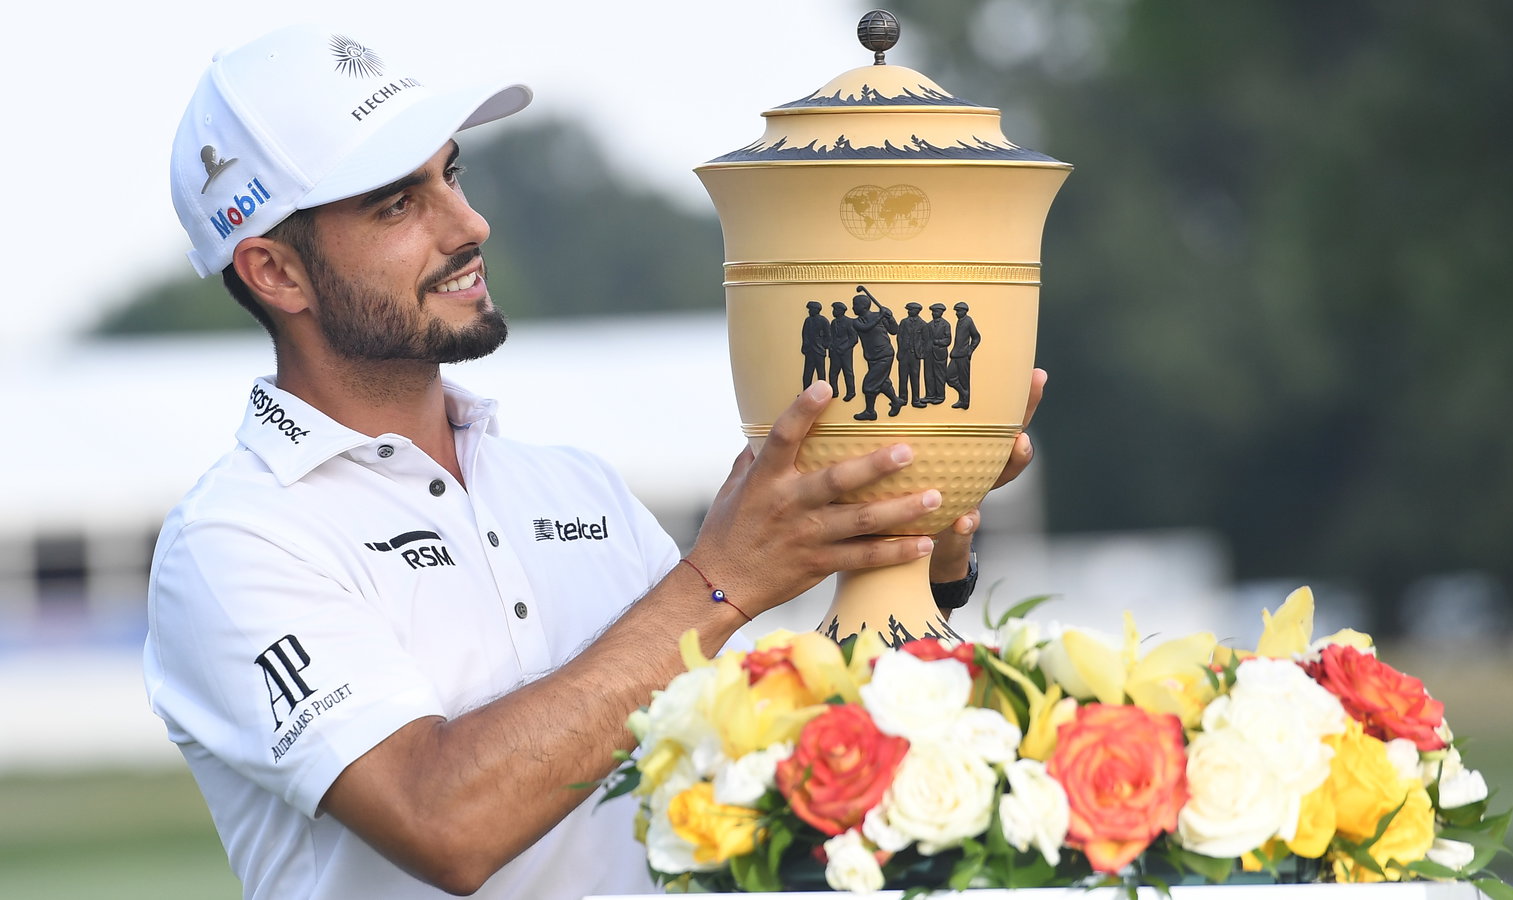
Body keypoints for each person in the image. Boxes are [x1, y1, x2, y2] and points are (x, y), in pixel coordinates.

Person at [143, 23, 1043, 900]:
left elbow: (767, 756)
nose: (470, 223)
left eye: (450, 175)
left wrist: (920, 540)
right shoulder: (233, 543)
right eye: (397, 203)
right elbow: (442, 823)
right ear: (275, 274)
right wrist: (721, 578)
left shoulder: (573, 484)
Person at [848, 286, 904, 421]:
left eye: (855, 305)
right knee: (883, 382)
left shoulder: (878, 316)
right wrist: (881, 315)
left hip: (884, 355)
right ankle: (896, 401)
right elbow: (866, 328)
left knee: (869, 384)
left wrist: (890, 317)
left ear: (863, 306)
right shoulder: (857, 322)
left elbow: (894, 330)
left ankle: (870, 412)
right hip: (872, 357)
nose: (853, 308)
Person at [949, 300, 983, 409]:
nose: (956, 313)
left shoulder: (968, 321)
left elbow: (976, 337)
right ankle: (964, 394)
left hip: (963, 355)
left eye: (958, 311)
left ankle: (964, 401)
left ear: (964, 311)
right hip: (955, 355)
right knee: (949, 377)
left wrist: (970, 350)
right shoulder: (959, 321)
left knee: (964, 379)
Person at [897, 301, 930, 408]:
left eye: (910, 309)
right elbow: (899, 337)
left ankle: (915, 400)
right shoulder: (903, 322)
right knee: (903, 377)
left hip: (915, 355)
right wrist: (900, 350)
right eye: (908, 309)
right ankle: (902, 399)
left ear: (916, 311)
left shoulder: (923, 324)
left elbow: (926, 340)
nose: (908, 311)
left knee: (915, 377)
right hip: (904, 354)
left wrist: (922, 353)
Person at [827, 300, 858, 401]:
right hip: (835, 352)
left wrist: (844, 348)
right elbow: (831, 336)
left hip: (845, 352)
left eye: (835, 309)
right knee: (833, 373)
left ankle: (851, 392)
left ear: (841, 311)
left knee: (847, 372)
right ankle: (834, 392)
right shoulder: (833, 322)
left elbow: (854, 339)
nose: (833, 312)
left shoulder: (849, 322)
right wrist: (830, 346)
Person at [925, 302, 951, 404]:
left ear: (941, 312)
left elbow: (948, 340)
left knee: (939, 375)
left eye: (935, 311)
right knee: (928, 375)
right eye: (932, 312)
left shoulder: (946, 324)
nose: (933, 313)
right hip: (929, 354)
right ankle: (930, 395)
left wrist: (937, 342)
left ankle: (940, 396)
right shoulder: (928, 324)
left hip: (940, 354)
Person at [800, 299, 829, 390]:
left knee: (821, 373)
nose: (809, 311)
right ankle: (805, 392)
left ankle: (822, 391)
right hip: (809, 351)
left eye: (810, 309)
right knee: (807, 373)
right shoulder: (808, 320)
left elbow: (828, 335)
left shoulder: (823, 320)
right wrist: (805, 346)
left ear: (816, 309)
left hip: (819, 351)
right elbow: (804, 334)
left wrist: (824, 345)